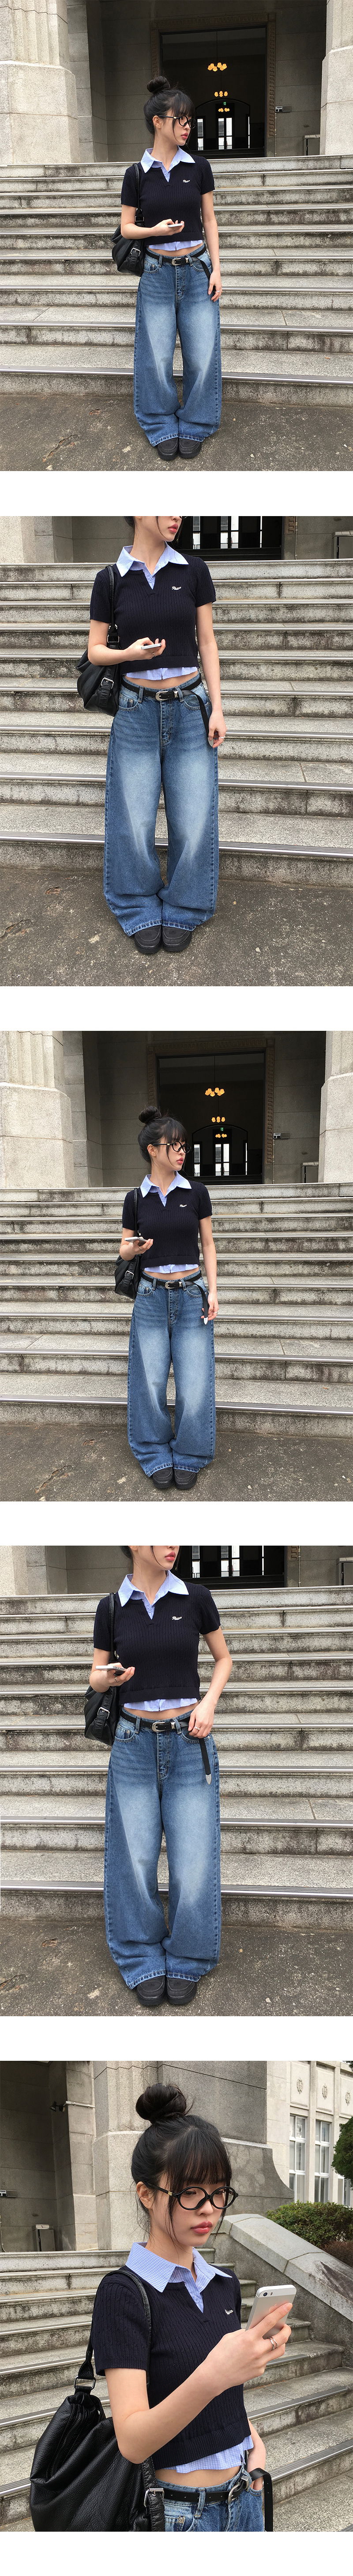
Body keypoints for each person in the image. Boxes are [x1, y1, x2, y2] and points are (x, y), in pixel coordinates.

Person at [92, 2080, 293, 2529]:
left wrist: (253, 2442)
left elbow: (227, 2395)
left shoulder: (223, 2284)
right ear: (146, 2194)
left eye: (219, 2192)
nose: (209, 2209)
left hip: (245, 2493)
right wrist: (214, 2374)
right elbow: (132, 2441)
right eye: (189, 2192)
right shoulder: (124, 2294)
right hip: (181, 2514)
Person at [90, 1542, 231, 2004]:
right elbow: (95, 1674)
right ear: (134, 1542)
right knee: (133, 1859)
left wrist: (208, 1703)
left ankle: (189, 1956)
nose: (173, 1544)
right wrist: (108, 1677)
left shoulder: (195, 1598)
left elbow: (224, 1659)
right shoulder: (111, 1607)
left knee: (193, 1860)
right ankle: (140, 1956)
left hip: (189, 1741)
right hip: (133, 1742)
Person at [87, 512, 226, 955]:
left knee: (193, 817)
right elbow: (95, 649)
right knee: (132, 818)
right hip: (135, 709)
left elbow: (207, 642)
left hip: (189, 706)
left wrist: (217, 707)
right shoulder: (110, 579)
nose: (176, 514)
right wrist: (128, 653)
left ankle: (186, 905)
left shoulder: (193, 570)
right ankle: (136, 904)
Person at [120, 77, 222, 456]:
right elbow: (126, 227)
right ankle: (160, 421)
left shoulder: (199, 167)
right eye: (180, 119)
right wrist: (155, 231)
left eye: (189, 120)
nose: (187, 126)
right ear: (158, 122)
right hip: (156, 273)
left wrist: (217, 268)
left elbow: (209, 220)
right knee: (157, 356)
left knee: (203, 354)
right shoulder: (136, 174)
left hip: (197, 270)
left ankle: (197, 421)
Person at [119, 1108, 218, 1486]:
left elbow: (208, 1244)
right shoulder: (135, 1198)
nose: (182, 1152)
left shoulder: (196, 1192)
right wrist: (135, 1248)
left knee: (194, 1381)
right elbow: (123, 1248)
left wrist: (213, 1290)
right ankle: (154, 1450)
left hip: (191, 1294)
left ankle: (191, 1452)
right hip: (150, 1296)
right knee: (150, 1382)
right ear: (152, 1150)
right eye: (174, 1146)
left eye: (184, 1146)